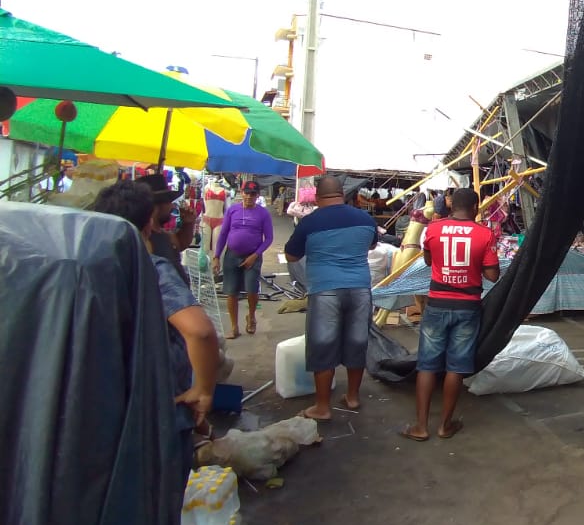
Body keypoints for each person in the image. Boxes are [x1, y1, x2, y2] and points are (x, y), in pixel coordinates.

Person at [90, 182, 220, 499]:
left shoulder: (87, 265)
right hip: (157, 399)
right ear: (148, 219)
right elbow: (199, 331)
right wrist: (203, 389)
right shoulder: (148, 268)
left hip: (103, 401)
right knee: (157, 495)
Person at [401, 188, 499, 441]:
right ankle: (445, 426)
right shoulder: (485, 234)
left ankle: (421, 427)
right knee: (456, 366)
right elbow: (492, 276)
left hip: (436, 304)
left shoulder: (433, 229)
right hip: (467, 307)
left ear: (450, 205)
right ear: (475, 208)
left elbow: (427, 261)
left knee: (427, 366)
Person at [284, 176, 378, 421]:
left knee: (322, 344)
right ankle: (353, 397)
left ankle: (322, 407)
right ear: (342, 194)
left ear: (317, 197)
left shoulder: (309, 222)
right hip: (359, 289)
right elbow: (370, 246)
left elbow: (292, 256)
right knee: (357, 342)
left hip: (325, 289)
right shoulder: (365, 219)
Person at [214, 180, 273, 338]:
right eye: (246, 193)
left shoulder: (263, 213)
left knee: (251, 290)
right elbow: (223, 234)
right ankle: (234, 327)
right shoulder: (232, 210)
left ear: (257, 195)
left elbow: (268, 238)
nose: (249, 197)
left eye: (252, 194)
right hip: (232, 255)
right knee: (231, 292)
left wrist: (255, 256)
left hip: (252, 256)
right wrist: (216, 256)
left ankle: (251, 317)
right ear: (241, 193)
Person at [139, 173, 197, 285]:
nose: (172, 206)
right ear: (157, 205)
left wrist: (188, 224)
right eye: (169, 202)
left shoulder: (163, 233)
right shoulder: (144, 238)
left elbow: (180, 243)